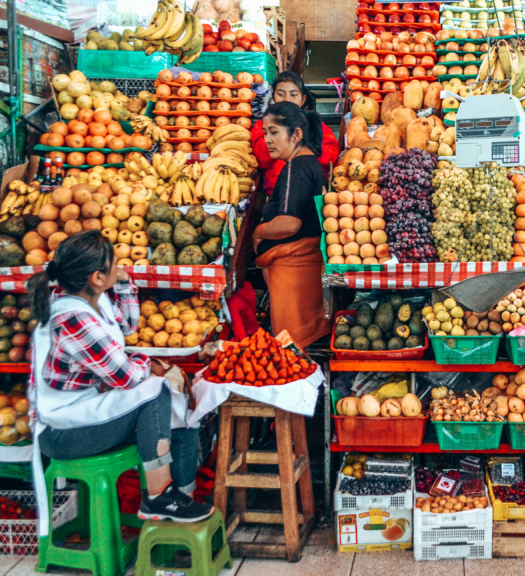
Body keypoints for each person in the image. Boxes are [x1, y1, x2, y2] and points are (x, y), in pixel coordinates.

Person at [27, 230, 212, 524]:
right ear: (97, 277)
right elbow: (126, 378)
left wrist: (124, 284)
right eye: (114, 264)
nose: (120, 266)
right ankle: (159, 497)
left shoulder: (91, 300)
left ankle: (181, 497)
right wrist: (146, 363)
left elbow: (126, 326)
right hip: (62, 431)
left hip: (86, 412)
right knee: (156, 390)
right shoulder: (72, 317)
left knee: (182, 408)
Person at [252, 101, 328, 348]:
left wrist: (258, 231)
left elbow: (289, 223)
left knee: (292, 350)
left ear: (296, 135)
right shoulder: (310, 164)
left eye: (274, 132)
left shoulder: (297, 167)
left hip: (294, 274)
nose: (267, 140)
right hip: (302, 271)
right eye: (265, 133)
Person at [251, 71, 339, 196]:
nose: (287, 99)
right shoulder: (264, 125)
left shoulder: (316, 125)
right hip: (277, 191)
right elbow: (262, 158)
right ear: (273, 98)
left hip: (312, 192)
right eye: (281, 94)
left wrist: (304, 141)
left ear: (303, 99)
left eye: (293, 95)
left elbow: (330, 158)